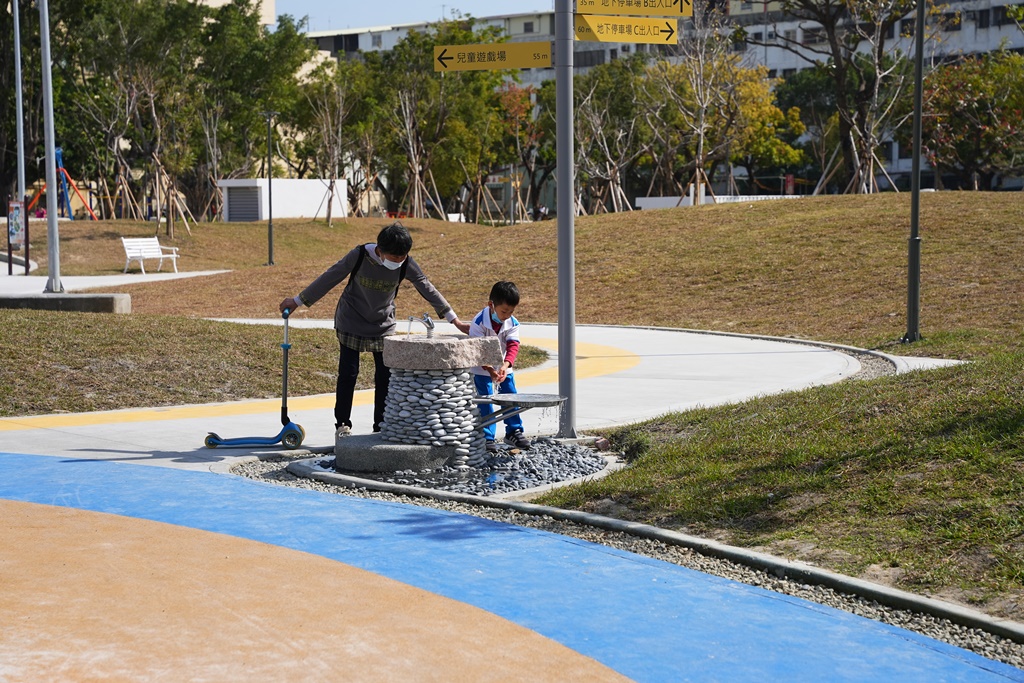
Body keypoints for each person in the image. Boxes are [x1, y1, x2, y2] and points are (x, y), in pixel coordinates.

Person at [279, 222, 470, 437]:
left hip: (382, 324)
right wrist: (297, 301)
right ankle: (342, 424)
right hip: (351, 319)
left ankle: (381, 425)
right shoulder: (360, 255)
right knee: (348, 374)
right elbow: (331, 276)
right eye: (395, 257)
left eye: (403, 257)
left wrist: (456, 321)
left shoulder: (406, 263)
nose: (399, 262)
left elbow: (427, 287)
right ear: (380, 250)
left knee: (384, 376)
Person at [469, 280, 531, 452]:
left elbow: (513, 345)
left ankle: (514, 431)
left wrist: (505, 365)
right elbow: (479, 350)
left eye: (511, 311)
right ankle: (487, 437)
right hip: (481, 368)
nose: (507, 315)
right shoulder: (479, 322)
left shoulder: (513, 322)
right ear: (491, 305)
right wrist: (490, 370)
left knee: (511, 396)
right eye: (504, 311)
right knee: (485, 399)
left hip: (503, 366)